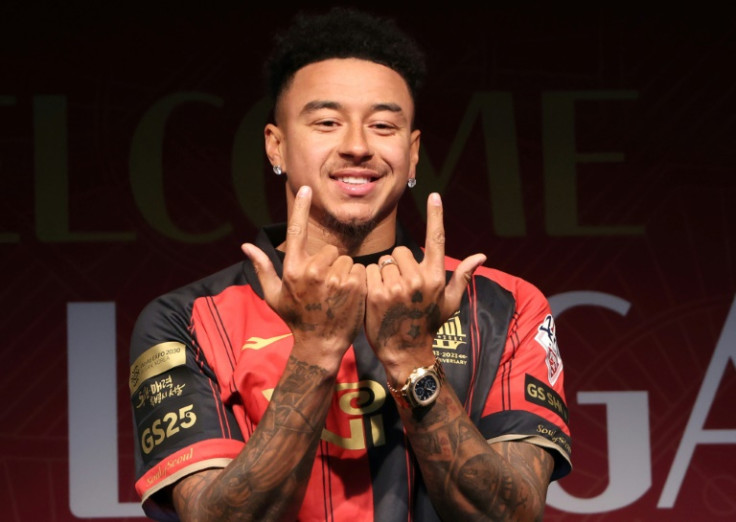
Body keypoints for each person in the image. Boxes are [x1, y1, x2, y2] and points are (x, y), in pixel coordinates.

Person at [129, 7, 571, 521]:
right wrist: (316, 351)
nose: (358, 146)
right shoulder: (184, 320)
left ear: (412, 153)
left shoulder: (506, 305)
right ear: (276, 145)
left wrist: (411, 358)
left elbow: (511, 516)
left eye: (383, 125)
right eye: (326, 122)